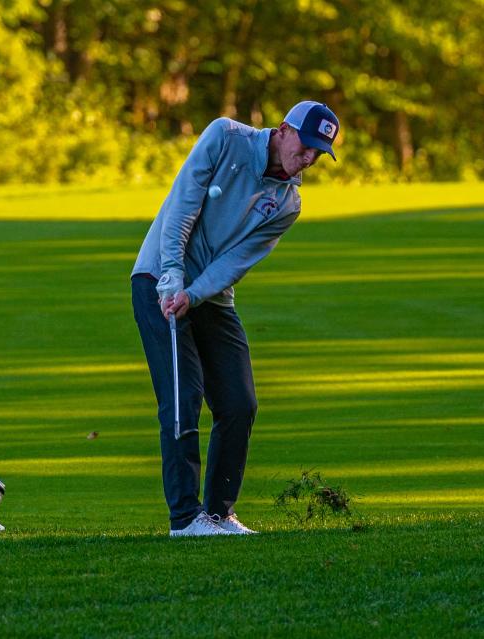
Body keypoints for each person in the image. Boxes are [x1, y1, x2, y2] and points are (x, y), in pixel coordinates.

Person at [131, 101, 340, 537]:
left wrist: (195, 292)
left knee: (239, 402)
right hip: (158, 278)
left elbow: (236, 261)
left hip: (209, 294)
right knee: (182, 395)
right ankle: (185, 519)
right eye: (305, 147)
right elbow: (181, 206)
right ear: (283, 130)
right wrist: (171, 275)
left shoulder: (288, 203)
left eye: (317, 155)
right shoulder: (225, 136)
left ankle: (218, 514)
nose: (307, 160)